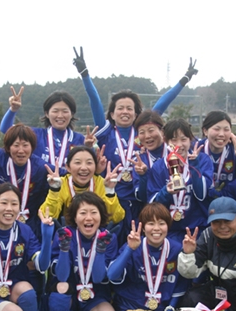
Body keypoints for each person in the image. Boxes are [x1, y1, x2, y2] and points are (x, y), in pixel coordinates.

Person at [74, 46, 197, 233]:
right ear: (112, 114)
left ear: (136, 112)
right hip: (113, 198)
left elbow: (163, 102)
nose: (125, 112)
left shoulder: (142, 131)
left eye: (129, 108)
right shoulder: (106, 130)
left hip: (141, 200)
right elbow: (94, 101)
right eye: (120, 108)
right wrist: (84, 74)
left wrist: (184, 79)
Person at [108, 203, 189, 311]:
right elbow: (112, 275)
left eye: (161, 223)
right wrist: (129, 249)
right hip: (131, 310)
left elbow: (181, 284)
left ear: (168, 226)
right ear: (143, 227)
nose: (156, 228)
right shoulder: (133, 246)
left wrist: (169, 310)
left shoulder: (176, 249)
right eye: (151, 223)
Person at [46, 192, 118, 311]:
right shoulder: (65, 234)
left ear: (101, 215)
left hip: (94, 294)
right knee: (60, 289)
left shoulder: (108, 237)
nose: (89, 218)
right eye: (83, 213)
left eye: (94, 212)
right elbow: (61, 275)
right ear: (74, 216)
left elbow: (100, 277)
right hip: (68, 293)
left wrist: (100, 251)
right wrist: (64, 249)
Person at [147, 119, 213, 241]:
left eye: (183, 139)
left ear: (190, 140)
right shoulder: (159, 167)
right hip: (169, 229)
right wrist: (166, 192)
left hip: (197, 227)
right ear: (166, 141)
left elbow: (201, 194)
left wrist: (194, 166)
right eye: (174, 140)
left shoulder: (202, 160)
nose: (179, 144)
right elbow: (152, 203)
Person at [0, 87, 86, 167]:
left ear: (72, 114)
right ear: (47, 113)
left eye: (65, 111)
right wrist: (13, 110)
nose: (60, 115)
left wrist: (89, 146)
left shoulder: (80, 139)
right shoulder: (35, 135)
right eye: (55, 111)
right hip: (40, 184)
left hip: (68, 184)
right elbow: (6, 129)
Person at [40, 145, 124, 225]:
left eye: (89, 163)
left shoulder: (102, 183)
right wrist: (54, 190)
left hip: (96, 233)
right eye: (77, 162)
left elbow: (116, 218)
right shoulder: (61, 183)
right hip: (67, 234)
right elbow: (47, 217)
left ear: (95, 167)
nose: (83, 168)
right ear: (68, 167)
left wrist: (110, 191)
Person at [197, 111, 236, 196]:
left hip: (229, 201)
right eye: (217, 129)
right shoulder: (197, 149)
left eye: (226, 130)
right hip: (201, 201)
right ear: (205, 131)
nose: (222, 134)